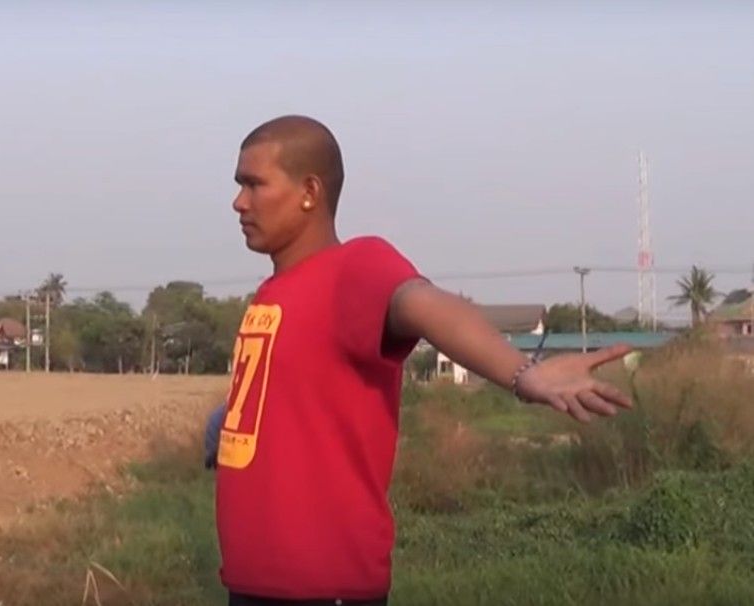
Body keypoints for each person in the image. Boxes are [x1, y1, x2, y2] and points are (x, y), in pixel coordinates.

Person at [214, 115, 632, 606]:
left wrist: (523, 373)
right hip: (253, 585)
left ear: (309, 191)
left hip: (321, 590)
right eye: (239, 185)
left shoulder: (355, 266)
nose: (239, 202)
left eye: (254, 184)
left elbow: (424, 304)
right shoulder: (274, 292)